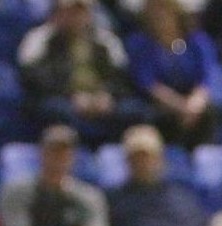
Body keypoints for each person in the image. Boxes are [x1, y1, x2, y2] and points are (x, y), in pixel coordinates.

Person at [17, 0, 148, 146]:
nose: (76, 17)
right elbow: (34, 79)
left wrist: (107, 95)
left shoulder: (105, 40)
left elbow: (120, 77)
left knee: (135, 111)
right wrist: (71, 96)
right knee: (56, 111)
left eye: (81, 12)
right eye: (70, 12)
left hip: (100, 100)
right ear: (58, 13)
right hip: (61, 99)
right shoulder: (39, 39)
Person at [125, 0, 222, 148]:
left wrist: (194, 105)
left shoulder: (197, 41)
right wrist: (180, 107)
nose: (160, 15)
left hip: (195, 105)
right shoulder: (140, 44)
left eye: (164, 9)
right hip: (161, 106)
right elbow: (148, 83)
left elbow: (207, 76)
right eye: (154, 10)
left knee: (209, 114)